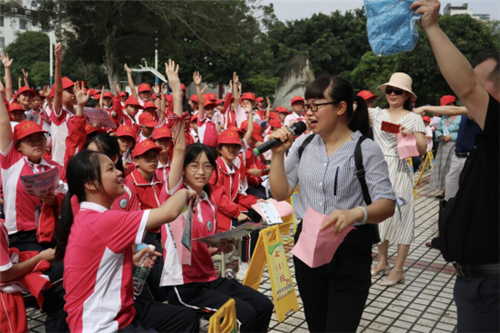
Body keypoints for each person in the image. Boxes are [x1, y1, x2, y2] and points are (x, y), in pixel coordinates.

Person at [269, 75, 396, 332]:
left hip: (349, 250)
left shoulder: (365, 148)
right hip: (308, 247)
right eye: (306, 107)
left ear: (340, 108)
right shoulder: (303, 145)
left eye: (316, 106)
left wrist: (356, 213)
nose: (308, 113)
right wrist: (277, 155)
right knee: (317, 324)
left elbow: (387, 203)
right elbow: (281, 192)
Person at [158, 60, 273, 333]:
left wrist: (219, 247)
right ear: (182, 170)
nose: (201, 171)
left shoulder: (209, 202)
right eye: (194, 166)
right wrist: (177, 95)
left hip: (209, 277)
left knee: (263, 306)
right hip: (183, 285)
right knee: (242, 314)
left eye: (207, 166)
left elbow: (198, 248)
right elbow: (177, 149)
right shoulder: (175, 195)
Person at [411, 1, 499, 331]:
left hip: (491, 291)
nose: (467, 98)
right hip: (479, 285)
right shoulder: (487, 136)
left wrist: (432, 27)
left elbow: (466, 88)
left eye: (481, 86)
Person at [56, 150, 198, 333]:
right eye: (110, 170)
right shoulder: (102, 220)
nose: (119, 172)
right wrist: (185, 192)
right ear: (90, 184)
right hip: (101, 326)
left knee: (184, 319)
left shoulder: (91, 217)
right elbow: (169, 212)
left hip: (119, 313)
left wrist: (133, 260)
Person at [368, 73, 427, 286]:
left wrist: (409, 134)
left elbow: (422, 149)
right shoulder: (375, 113)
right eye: (389, 90)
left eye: (398, 91)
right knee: (379, 217)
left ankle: (399, 269)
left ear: (407, 95)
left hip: (400, 169)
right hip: (377, 169)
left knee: (402, 217)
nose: (392, 94)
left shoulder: (414, 118)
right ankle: (382, 261)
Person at [428, 95, 461, 199]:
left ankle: (453, 191)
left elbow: (465, 132)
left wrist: (452, 136)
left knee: (452, 168)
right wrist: (439, 134)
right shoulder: (444, 117)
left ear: (452, 105)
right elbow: (438, 130)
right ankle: (444, 190)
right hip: (443, 145)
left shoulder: (462, 116)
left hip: (454, 145)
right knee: (443, 168)